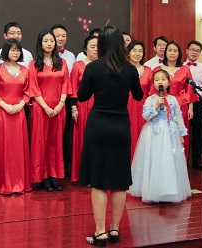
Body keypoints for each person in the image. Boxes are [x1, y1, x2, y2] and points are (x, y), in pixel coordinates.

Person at [77, 26, 143, 246]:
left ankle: (100, 232)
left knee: (98, 181)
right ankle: (114, 229)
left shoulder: (93, 67)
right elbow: (139, 95)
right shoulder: (130, 69)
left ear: (102, 44)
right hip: (121, 126)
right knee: (119, 181)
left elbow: (82, 96)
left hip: (98, 126)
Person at [129, 69, 191, 203]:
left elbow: (178, 117)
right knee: (155, 159)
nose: (160, 82)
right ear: (153, 83)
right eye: (156, 80)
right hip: (154, 132)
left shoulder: (173, 100)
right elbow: (146, 116)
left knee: (169, 160)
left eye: (163, 79)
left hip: (171, 132)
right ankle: (153, 190)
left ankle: (169, 190)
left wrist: (181, 135)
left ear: (168, 83)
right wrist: (156, 106)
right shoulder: (150, 99)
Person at [0, 39, 32, 195]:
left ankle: (18, 182)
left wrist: (20, 105)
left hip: (19, 113)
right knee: (2, 147)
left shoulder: (25, 70)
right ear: (6, 51)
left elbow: (28, 92)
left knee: (17, 148)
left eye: (18, 50)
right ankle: (1, 183)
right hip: (1, 113)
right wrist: (5, 106)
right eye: (13, 49)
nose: (16, 52)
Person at [29, 29, 70, 192]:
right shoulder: (34, 64)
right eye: (46, 41)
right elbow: (33, 88)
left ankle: (54, 175)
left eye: (51, 41)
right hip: (41, 108)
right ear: (40, 43)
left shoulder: (62, 63)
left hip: (59, 108)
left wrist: (60, 104)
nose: (49, 43)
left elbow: (66, 85)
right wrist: (45, 107)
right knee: (41, 142)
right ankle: (42, 177)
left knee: (56, 142)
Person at [156, 41, 195, 159]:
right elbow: (154, 89)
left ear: (179, 53)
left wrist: (190, 107)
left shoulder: (185, 69)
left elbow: (190, 90)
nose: (172, 53)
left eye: (175, 51)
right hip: (163, 104)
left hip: (181, 105)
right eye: (170, 50)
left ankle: (181, 160)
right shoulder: (158, 69)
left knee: (180, 133)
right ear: (165, 52)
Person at [69, 35, 97, 182]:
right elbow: (73, 88)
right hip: (83, 105)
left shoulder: (104, 65)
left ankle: (97, 173)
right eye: (92, 47)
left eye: (99, 46)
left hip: (100, 105)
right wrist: (74, 108)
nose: (96, 49)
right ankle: (84, 174)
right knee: (83, 139)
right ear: (85, 49)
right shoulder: (78, 66)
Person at [184, 40, 202, 170]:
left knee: (198, 132)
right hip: (184, 102)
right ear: (187, 51)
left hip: (199, 102)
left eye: (197, 51)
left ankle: (197, 160)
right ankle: (183, 159)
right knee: (184, 132)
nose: (194, 52)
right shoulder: (181, 66)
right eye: (192, 49)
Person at [51, 23, 76, 178]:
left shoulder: (71, 56)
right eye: (57, 36)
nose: (60, 38)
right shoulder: (41, 57)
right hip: (47, 100)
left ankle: (64, 168)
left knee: (66, 134)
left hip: (65, 99)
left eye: (63, 36)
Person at [126, 40, 153, 160]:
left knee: (142, 135)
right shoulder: (123, 69)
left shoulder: (148, 71)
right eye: (134, 50)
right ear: (128, 52)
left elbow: (152, 92)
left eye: (140, 51)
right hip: (125, 106)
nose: (137, 53)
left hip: (143, 108)